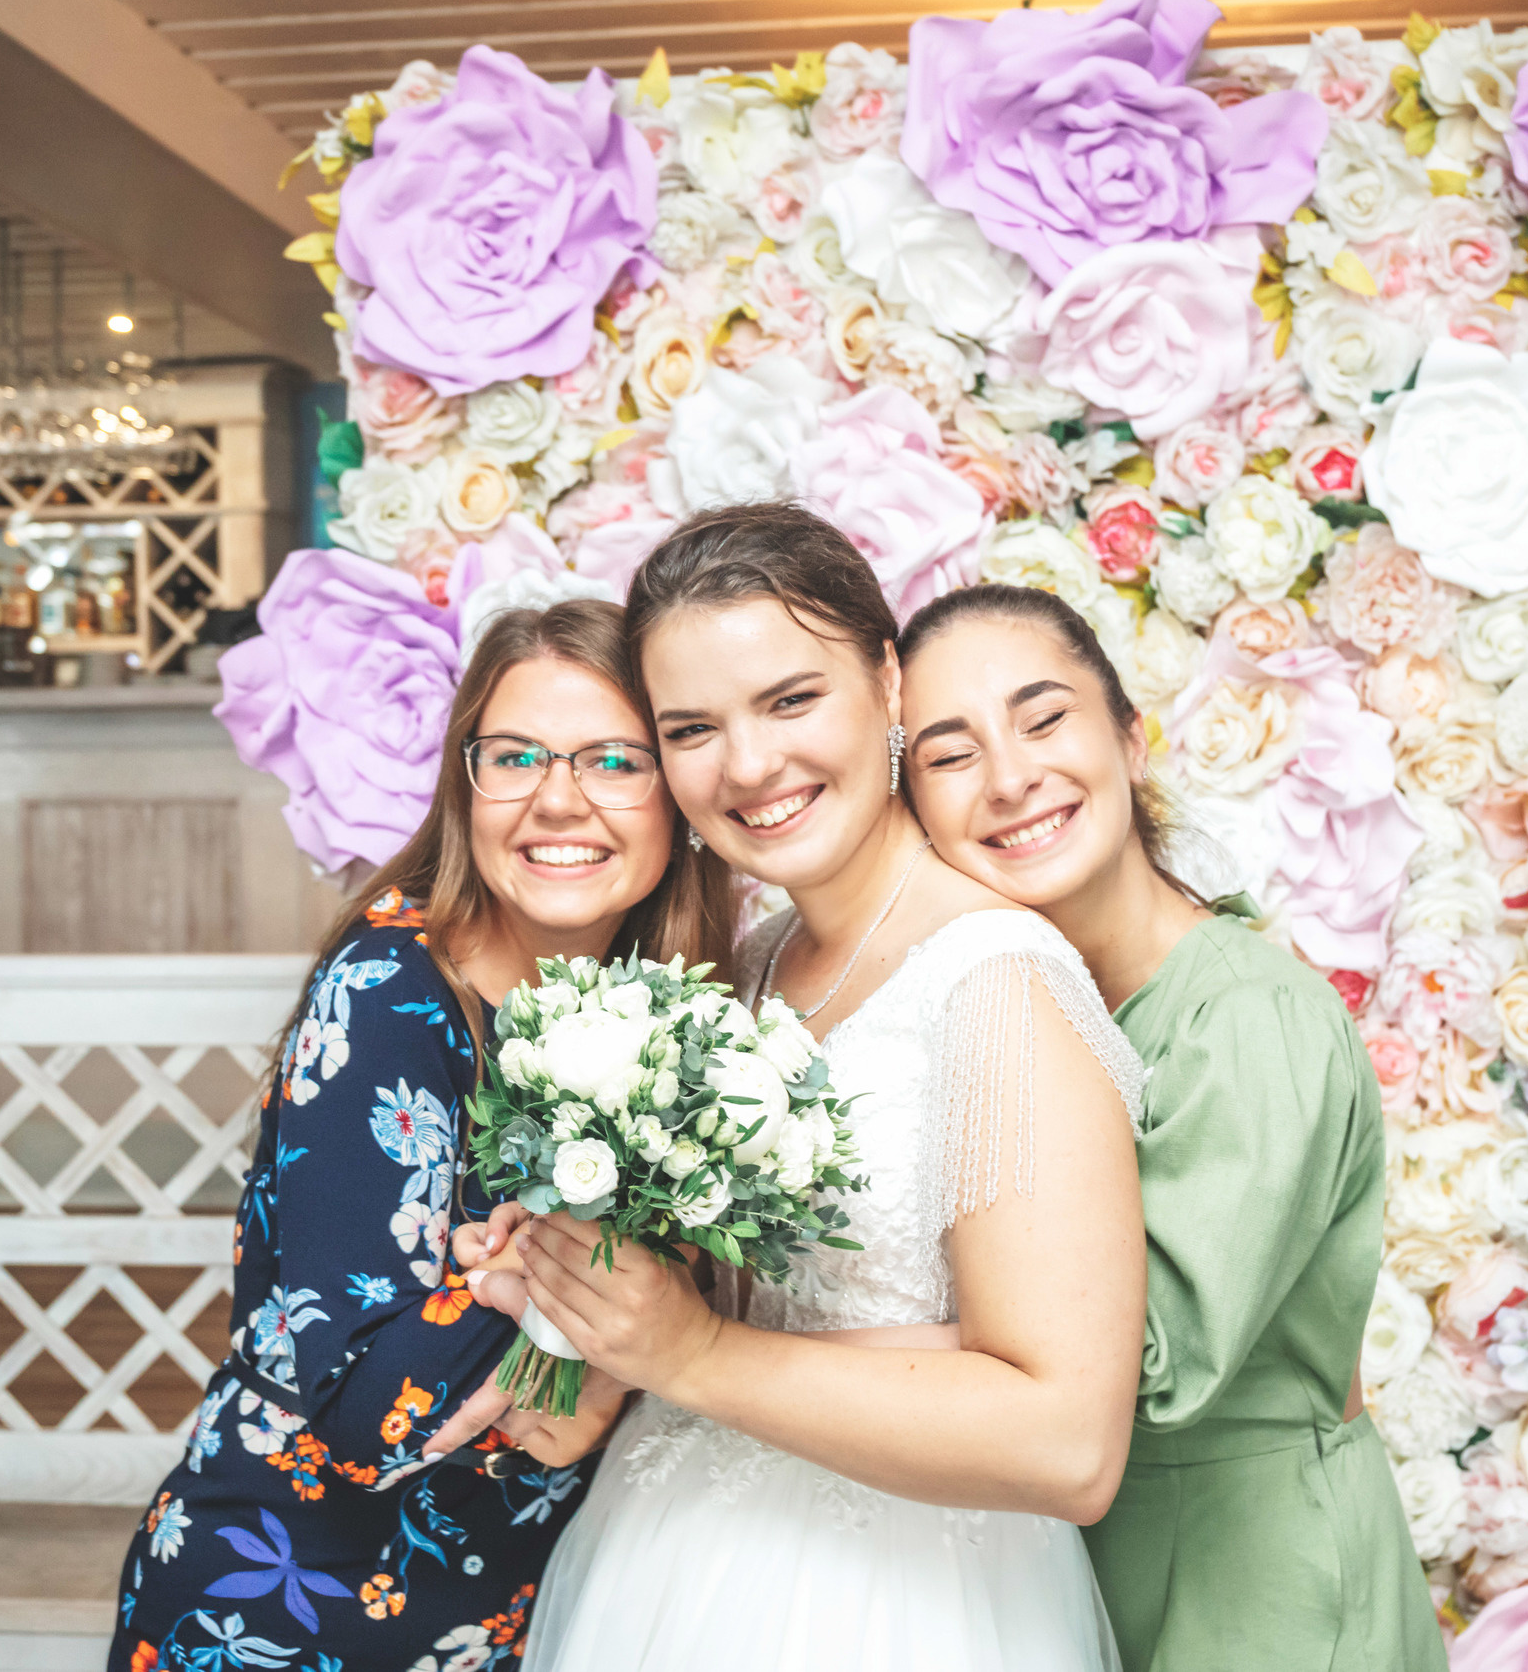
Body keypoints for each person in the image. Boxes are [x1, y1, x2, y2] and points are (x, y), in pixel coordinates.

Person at [442, 504, 1149, 1672]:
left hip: (904, 1604)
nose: (749, 765)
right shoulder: (752, 962)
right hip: (669, 1563)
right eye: (691, 728)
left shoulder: (996, 979)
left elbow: (1069, 1444)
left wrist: (693, 1355)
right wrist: (581, 1270)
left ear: (886, 683)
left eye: (789, 700)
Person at [105, 600, 737, 1672]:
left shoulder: (656, 1007)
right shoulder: (393, 991)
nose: (555, 798)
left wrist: (560, 1288)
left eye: (612, 762)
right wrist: (560, 1265)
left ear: (675, 797)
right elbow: (367, 1410)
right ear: (464, 780)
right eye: (515, 755)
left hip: (499, 1607)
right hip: (288, 1607)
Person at [893, 583, 1446, 1672]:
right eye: (949, 757)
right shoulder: (1010, 1010)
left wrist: (777, 1340)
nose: (1011, 779)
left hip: (1252, 1583)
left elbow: (1147, 1370)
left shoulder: (1245, 1013)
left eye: (1045, 720)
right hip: (1067, 1566)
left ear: (1131, 742)